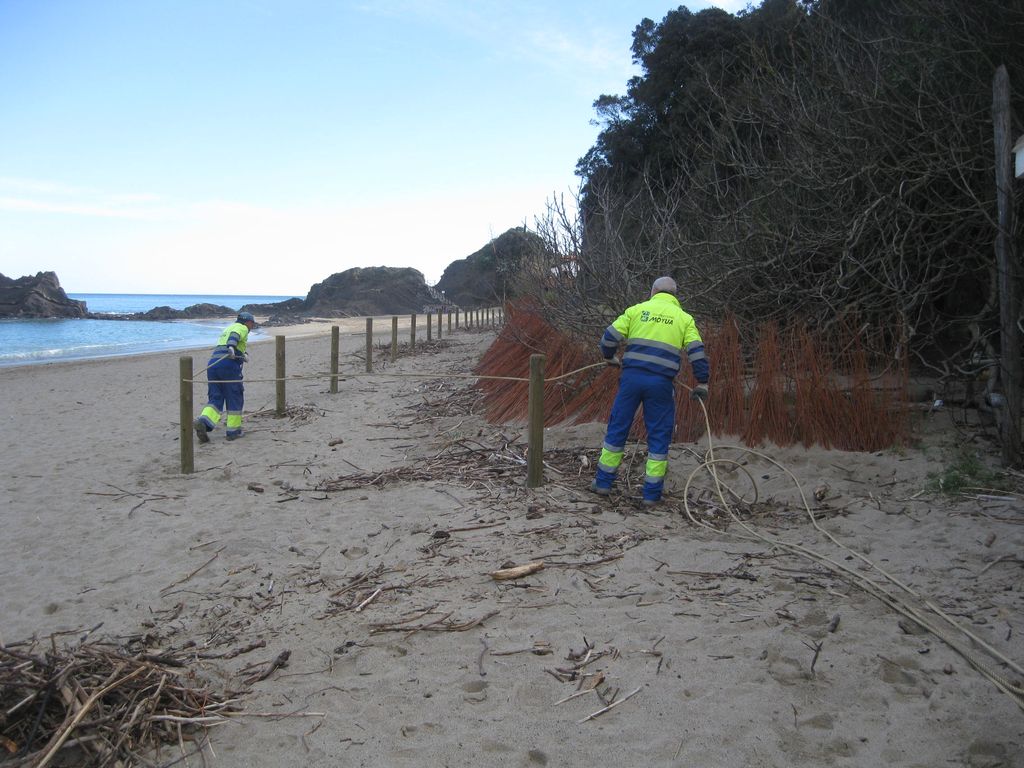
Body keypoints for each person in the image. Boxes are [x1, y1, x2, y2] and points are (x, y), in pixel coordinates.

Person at [591, 277, 709, 506]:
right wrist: (702, 382)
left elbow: (608, 338)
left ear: (653, 291)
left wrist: (609, 357)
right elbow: (696, 352)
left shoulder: (636, 310)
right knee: (659, 436)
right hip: (661, 384)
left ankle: (603, 483)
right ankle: (651, 495)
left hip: (631, 380)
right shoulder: (684, 319)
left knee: (618, 428)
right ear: (675, 295)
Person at [194, 311, 256, 443]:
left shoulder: (227, 328)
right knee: (234, 396)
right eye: (252, 324)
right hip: (229, 366)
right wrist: (232, 346)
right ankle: (233, 432)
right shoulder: (241, 327)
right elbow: (234, 337)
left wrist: (243, 354)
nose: (252, 327)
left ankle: (204, 422)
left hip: (213, 365)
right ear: (248, 322)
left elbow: (229, 344)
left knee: (215, 396)